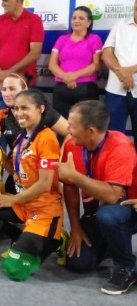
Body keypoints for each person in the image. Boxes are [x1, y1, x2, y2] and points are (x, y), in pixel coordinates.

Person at [0, 89, 63, 281]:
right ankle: (18, 235)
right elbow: (13, 168)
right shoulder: (22, 137)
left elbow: (44, 184)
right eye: (16, 109)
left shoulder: (47, 137)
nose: (19, 113)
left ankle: (56, 240)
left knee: (14, 270)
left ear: (40, 109)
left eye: (25, 108)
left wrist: (13, 199)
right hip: (22, 205)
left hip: (43, 211)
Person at [55, 100, 137, 295]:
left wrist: (74, 175)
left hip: (129, 207)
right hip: (100, 212)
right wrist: (75, 226)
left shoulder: (121, 146)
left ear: (91, 131)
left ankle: (127, 266)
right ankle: (113, 243)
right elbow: (70, 189)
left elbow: (111, 195)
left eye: (73, 126)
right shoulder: (72, 145)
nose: (68, 129)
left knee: (109, 216)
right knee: (78, 263)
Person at [0, 0, 44, 113]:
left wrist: (7, 73)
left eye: (5, 0)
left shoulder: (34, 20)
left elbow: (35, 52)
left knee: (23, 120)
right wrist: (0, 75)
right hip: (0, 82)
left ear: (17, 0)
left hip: (22, 81)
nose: (2, 4)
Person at [49, 6, 103, 120]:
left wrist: (74, 75)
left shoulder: (94, 39)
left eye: (81, 18)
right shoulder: (62, 39)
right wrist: (66, 77)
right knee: (62, 128)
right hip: (62, 88)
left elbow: (97, 64)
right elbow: (52, 65)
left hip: (86, 90)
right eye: (74, 18)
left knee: (86, 126)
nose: (76, 20)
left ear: (89, 22)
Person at [102, 0, 137, 149]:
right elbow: (107, 53)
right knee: (113, 140)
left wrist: (126, 72)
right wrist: (120, 73)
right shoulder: (120, 25)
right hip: (115, 92)